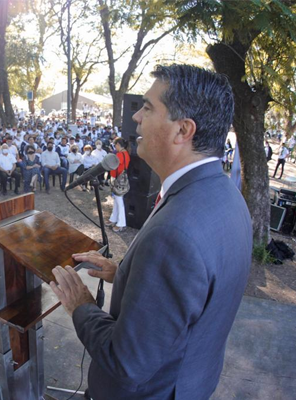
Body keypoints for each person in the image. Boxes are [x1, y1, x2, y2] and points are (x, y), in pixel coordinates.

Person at [49, 64, 252, 400]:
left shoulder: (174, 234)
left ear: (183, 130)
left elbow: (127, 364)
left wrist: (81, 305)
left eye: (148, 108)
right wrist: (129, 273)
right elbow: (191, 292)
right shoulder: (225, 194)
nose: (136, 119)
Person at [107, 137, 130, 232]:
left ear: (118, 145)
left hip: (117, 180)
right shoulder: (125, 154)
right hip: (119, 180)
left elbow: (113, 164)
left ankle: (121, 223)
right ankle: (114, 219)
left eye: (115, 145)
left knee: (119, 202)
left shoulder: (120, 154)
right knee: (117, 201)